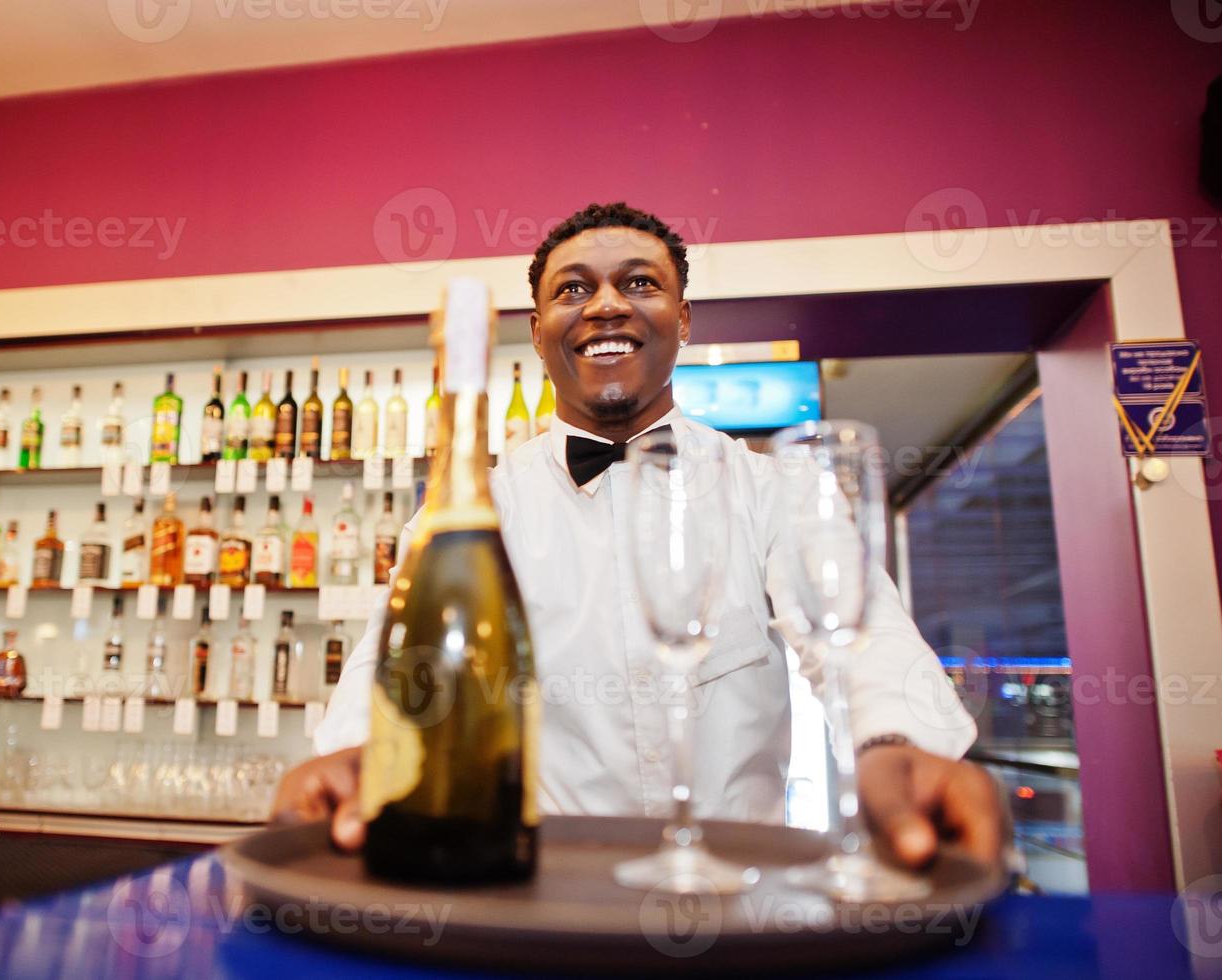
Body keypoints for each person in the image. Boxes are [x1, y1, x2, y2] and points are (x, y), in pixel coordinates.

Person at [273, 202, 1006, 871]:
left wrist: (891, 746)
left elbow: (866, 641)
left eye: (638, 283)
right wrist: (360, 759)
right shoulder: (466, 519)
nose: (605, 305)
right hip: (537, 893)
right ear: (535, 333)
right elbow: (395, 678)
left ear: (683, 320)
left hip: (735, 890)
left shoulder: (772, 491)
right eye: (571, 289)